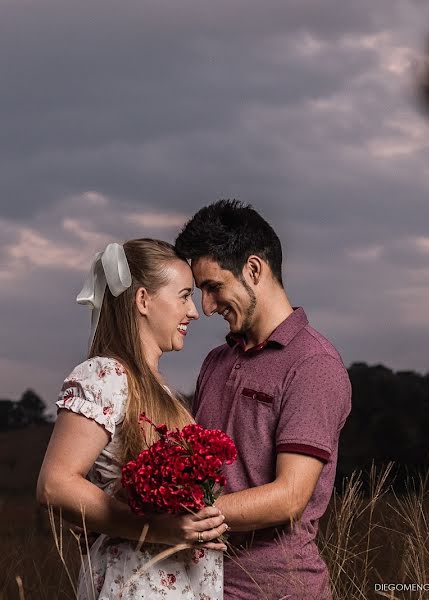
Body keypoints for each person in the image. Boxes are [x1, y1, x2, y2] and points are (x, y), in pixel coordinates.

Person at [174, 200, 352, 600]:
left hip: (277, 590)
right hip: (200, 585)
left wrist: (180, 514)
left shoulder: (313, 364)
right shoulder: (216, 361)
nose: (205, 307)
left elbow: (288, 497)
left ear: (254, 269)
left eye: (213, 287)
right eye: (200, 291)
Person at [37, 238, 229, 599]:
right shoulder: (105, 375)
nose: (194, 312)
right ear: (143, 300)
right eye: (184, 296)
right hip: (136, 582)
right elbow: (55, 485)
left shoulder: (162, 393)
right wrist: (160, 530)